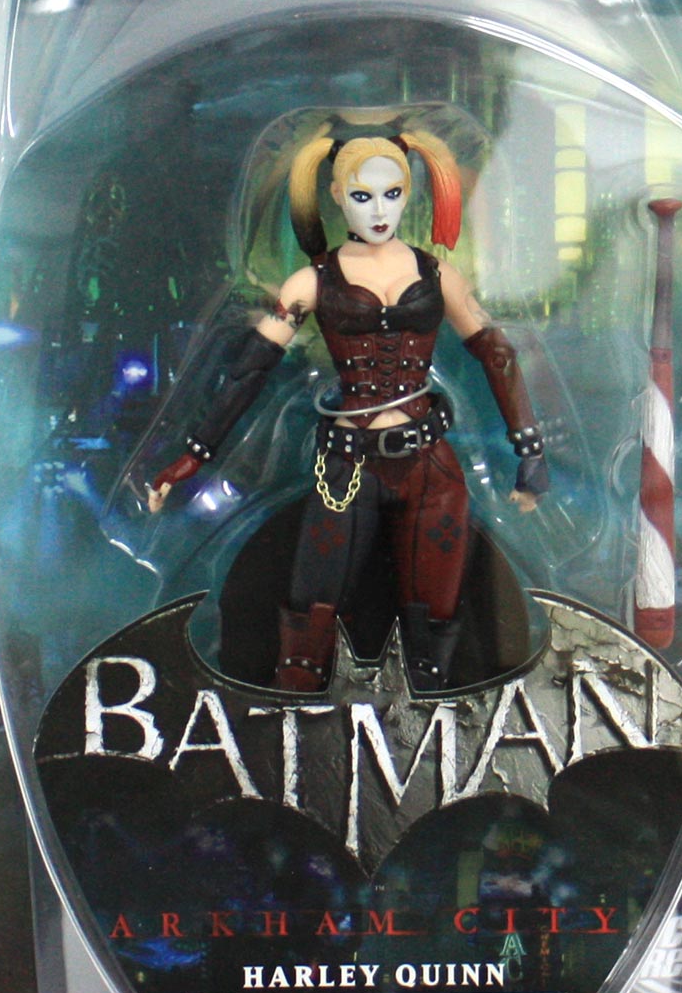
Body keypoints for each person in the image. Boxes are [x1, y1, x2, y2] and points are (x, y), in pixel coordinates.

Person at [147, 130, 547, 692]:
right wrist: (193, 455)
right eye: (363, 196)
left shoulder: (438, 275)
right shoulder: (312, 281)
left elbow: (497, 354)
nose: (379, 211)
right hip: (346, 465)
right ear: (336, 197)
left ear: (410, 194)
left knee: (434, 625)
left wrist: (529, 450)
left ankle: (437, 717)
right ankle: (291, 712)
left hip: (430, 465)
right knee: (310, 616)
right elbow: (248, 370)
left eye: (392, 194)